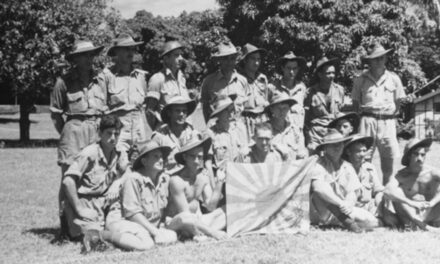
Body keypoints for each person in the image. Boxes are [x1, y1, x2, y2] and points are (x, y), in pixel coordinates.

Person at [50, 39, 106, 237]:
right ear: (75, 59)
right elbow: (56, 115)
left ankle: (88, 223)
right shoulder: (63, 82)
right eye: (85, 55)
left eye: (91, 54)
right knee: (69, 179)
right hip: (73, 130)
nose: (90, 58)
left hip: (96, 129)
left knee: (93, 176)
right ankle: (66, 227)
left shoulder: (101, 79)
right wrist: (68, 133)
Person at [352, 43, 413, 184]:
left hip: (388, 123)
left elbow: (399, 102)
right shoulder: (360, 79)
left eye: (382, 57)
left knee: (388, 162)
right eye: (375, 58)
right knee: (363, 158)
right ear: (369, 61)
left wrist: (389, 114)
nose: (379, 60)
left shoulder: (394, 78)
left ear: (386, 59)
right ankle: (364, 192)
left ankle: (386, 194)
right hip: (368, 121)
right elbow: (355, 103)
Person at [62, 115, 128, 241]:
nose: (113, 138)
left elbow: (128, 172)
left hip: (106, 202)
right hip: (87, 203)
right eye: (109, 133)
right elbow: (67, 181)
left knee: (119, 228)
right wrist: (79, 208)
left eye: (116, 134)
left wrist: (117, 182)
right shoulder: (89, 153)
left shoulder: (119, 152)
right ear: (100, 133)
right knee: (94, 237)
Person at [309, 129, 379, 232]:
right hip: (320, 210)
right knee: (324, 190)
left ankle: (340, 222)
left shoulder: (347, 166)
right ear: (325, 148)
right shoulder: (318, 163)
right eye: (333, 145)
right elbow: (319, 188)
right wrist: (341, 203)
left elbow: (354, 191)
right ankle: (339, 222)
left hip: (341, 210)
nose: (337, 148)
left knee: (372, 221)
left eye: (340, 144)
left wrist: (349, 204)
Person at [166, 133, 227, 240]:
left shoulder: (202, 177)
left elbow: (210, 206)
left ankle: (200, 233)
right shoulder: (176, 180)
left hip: (198, 222)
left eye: (199, 157)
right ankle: (203, 233)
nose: (196, 161)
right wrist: (213, 233)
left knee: (227, 209)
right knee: (185, 217)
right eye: (192, 156)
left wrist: (219, 182)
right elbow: (185, 215)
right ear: (184, 157)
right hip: (179, 224)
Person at [100, 33, 150, 152]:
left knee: (140, 164)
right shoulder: (106, 76)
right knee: (118, 164)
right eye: (126, 49)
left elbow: (144, 106)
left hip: (139, 129)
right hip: (118, 129)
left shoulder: (140, 76)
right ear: (116, 52)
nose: (131, 52)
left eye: (133, 49)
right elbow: (102, 108)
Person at [385, 138, 440, 231]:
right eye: (416, 154)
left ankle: (424, 225)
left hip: (430, 212)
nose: (420, 158)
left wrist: (432, 203)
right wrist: (411, 203)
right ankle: (422, 226)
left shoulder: (432, 173)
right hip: (410, 216)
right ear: (409, 156)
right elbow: (387, 191)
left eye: (423, 155)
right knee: (396, 192)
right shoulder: (401, 176)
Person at [305, 56, 345, 153]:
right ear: (320, 74)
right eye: (328, 73)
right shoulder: (310, 92)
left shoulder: (339, 90)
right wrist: (308, 139)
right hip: (316, 135)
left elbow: (341, 112)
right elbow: (305, 119)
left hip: (334, 134)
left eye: (333, 73)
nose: (332, 76)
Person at [200, 42, 247, 122]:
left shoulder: (242, 81)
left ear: (236, 59)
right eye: (225, 58)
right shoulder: (209, 81)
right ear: (219, 60)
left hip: (238, 127)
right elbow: (205, 107)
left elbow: (245, 106)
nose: (229, 62)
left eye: (232, 58)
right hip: (218, 128)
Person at [152, 96, 198, 171]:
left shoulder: (193, 134)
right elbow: (153, 165)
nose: (181, 114)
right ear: (169, 113)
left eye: (184, 111)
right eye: (177, 111)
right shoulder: (159, 136)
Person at [344, 134, 384, 218]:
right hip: (350, 209)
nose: (362, 154)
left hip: (368, 208)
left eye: (364, 151)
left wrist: (380, 208)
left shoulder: (369, 168)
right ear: (348, 152)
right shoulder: (343, 169)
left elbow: (378, 191)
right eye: (358, 151)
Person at [207, 95, 248, 170]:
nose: (230, 113)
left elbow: (246, 155)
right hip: (222, 177)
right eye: (226, 110)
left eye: (231, 109)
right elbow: (208, 162)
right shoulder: (211, 133)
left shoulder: (240, 128)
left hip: (241, 173)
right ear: (218, 114)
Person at [269, 51, 308, 130]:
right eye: (288, 68)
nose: (291, 72)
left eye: (294, 68)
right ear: (282, 68)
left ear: (298, 69)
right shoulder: (272, 88)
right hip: (278, 134)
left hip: (297, 135)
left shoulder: (302, 88)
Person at [238, 43, 270, 138]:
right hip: (245, 120)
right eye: (253, 59)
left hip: (261, 120)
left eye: (258, 59)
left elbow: (265, 99)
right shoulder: (239, 79)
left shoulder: (262, 79)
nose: (256, 63)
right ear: (245, 60)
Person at [148, 40, 189, 110]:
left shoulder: (181, 78)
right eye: (176, 55)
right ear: (166, 59)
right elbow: (150, 110)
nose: (181, 58)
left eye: (181, 55)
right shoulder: (157, 79)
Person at [265, 92, 307, 161]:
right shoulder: (264, 129)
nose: (281, 111)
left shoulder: (295, 131)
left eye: (284, 108)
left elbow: (301, 154)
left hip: (291, 169)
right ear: (272, 109)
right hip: (271, 169)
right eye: (278, 108)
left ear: (289, 109)